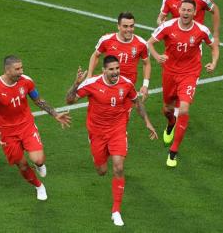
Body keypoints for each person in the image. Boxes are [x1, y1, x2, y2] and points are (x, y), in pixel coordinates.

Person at [66, 55, 158, 226]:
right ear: (104, 70)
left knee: (118, 166)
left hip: (118, 130)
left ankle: (116, 210)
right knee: (101, 171)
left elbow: (136, 102)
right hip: (97, 132)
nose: (115, 72)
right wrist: (76, 83)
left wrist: (147, 122)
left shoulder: (126, 84)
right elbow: (69, 100)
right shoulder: (92, 83)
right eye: (111, 69)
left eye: (117, 68)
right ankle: (100, 155)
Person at [0, 55, 71, 201]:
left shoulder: (26, 81)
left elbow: (38, 99)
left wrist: (55, 114)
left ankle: (39, 165)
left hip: (26, 126)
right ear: (7, 70)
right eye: (17, 69)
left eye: (21, 68)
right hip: (7, 133)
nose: (21, 71)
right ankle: (38, 186)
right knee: (22, 165)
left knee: (38, 159)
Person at [148, 0, 219, 167]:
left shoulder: (202, 30)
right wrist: (157, 56)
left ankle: (173, 152)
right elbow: (149, 42)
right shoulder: (168, 26)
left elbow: (214, 46)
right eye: (184, 9)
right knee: (168, 109)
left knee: (184, 109)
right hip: (170, 73)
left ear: (195, 13)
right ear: (179, 10)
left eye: (189, 10)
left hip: (190, 73)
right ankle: (171, 123)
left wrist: (214, 63)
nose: (186, 13)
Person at [87, 12, 151, 101]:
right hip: (108, 83)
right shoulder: (107, 40)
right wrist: (89, 76)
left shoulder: (142, 44)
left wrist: (145, 85)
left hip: (127, 87)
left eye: (131, 26)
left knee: (122, 113)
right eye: (125, 26)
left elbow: (146, 63)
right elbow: (95, 55)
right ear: (118, 26)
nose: (129, 29)